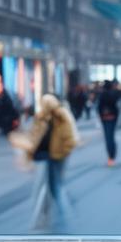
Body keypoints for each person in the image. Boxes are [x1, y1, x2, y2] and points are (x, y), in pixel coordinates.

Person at [20, 94, 78, 231]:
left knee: (53, 187)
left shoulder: (60, 115)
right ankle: (49, 218)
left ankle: (62, 217)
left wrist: (62, 152)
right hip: (48, 157)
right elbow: (34, 136)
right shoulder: (43, 117)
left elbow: (69, 137)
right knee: (50, 187)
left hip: (55, 157)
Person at [96, 80, 121, 166]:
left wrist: (101, 116)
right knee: (111, 137)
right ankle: (112, 156)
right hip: (112, 118)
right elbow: (117, 107)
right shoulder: (114, 94)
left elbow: (99, 107)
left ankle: (110, 157)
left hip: (105, 118)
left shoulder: (102, 95)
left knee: (107, 138)